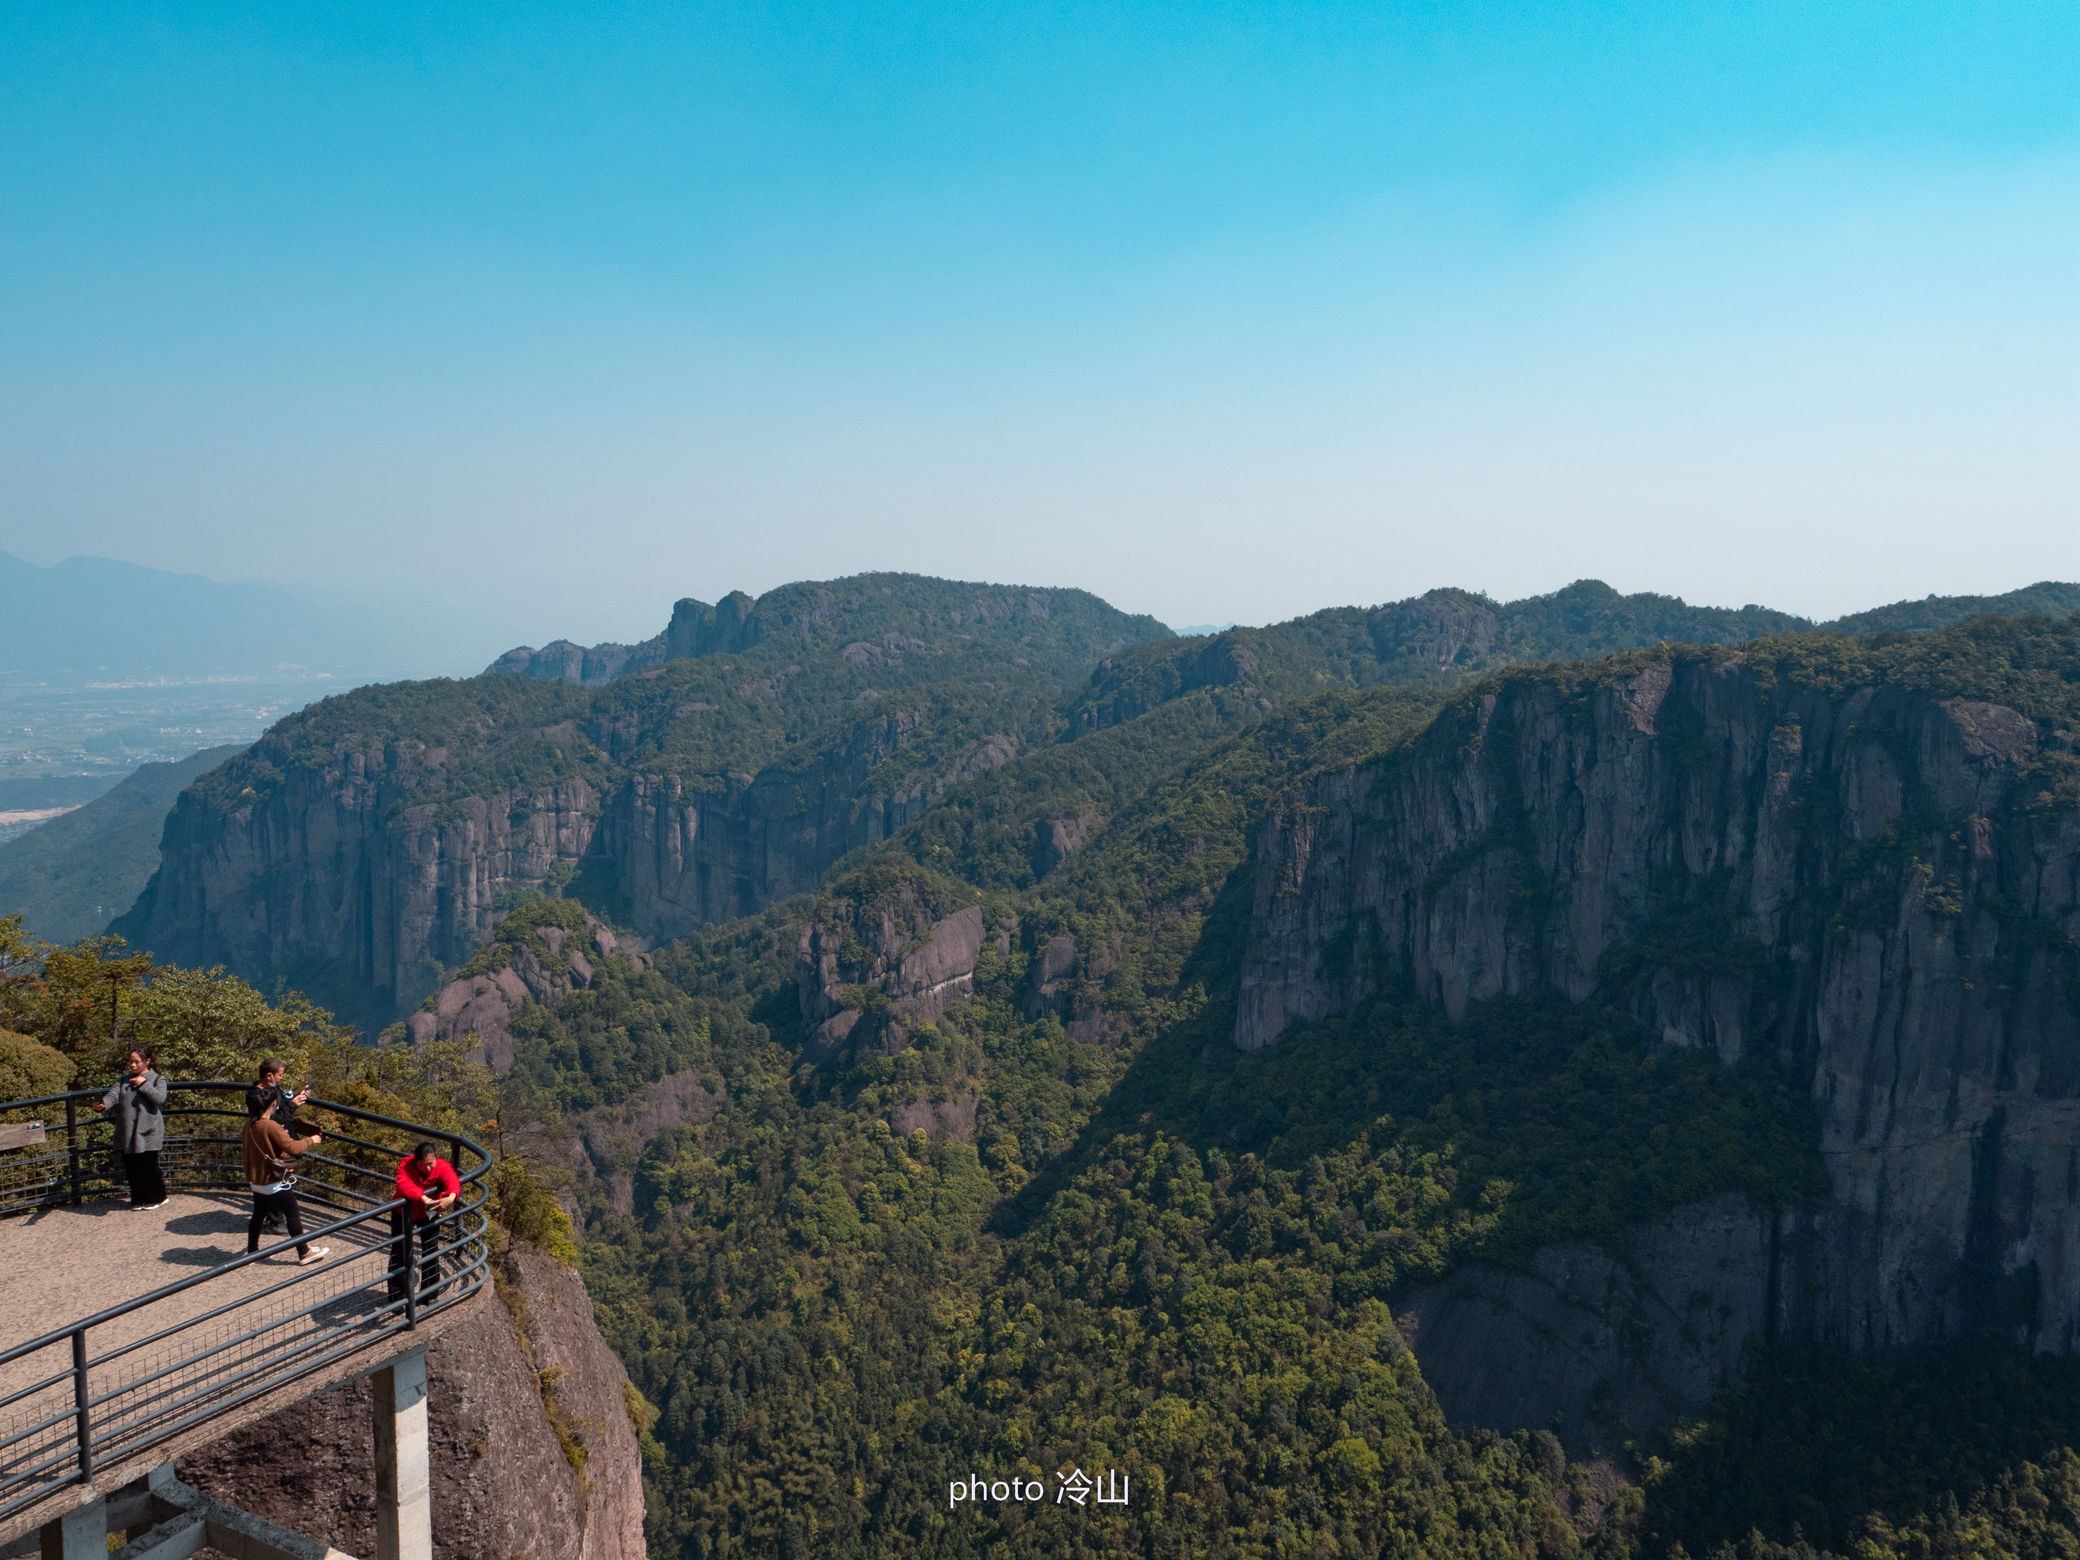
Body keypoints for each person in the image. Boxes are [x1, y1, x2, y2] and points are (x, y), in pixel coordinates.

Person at [241, 1099, 329, 1265]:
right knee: (292, 1212)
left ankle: (253, 1252)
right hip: (272, 1180)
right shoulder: (270, 1125)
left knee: (258, 1214)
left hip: (256, 1178)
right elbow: (293, 1148)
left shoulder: (250, 1123)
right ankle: (304, 1252)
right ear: (273, 1103)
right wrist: (312, 1140)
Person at [91, 1047, 168, 1210]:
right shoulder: (123, 1080)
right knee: (132, 1165)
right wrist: (102, 1105)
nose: (132, 1065)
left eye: (136, 1062)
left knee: (148, 1165)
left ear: (147, 1061)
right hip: (128, 1130)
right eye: (130, 1061)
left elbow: (160, 1098)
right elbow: (112, 1097)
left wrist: (144, 1084)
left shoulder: (158, 1079)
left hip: (149, 1129)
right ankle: (138, 1199)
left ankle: (157, 1197)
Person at [246, 1060, 312, 1234]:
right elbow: (273, 1120)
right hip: (274, 1149)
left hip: (275, 1146)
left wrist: (293, 1101)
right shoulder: (260, 1097)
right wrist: (292, 1106)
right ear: (269, 1075)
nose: (281, 1078)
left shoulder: (263, 1092)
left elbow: (278, 1113)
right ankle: (280, 1223)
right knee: (285, 1198)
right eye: (280, 1075)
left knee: (263, 1200)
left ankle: (266, 1231)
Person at [389, 1141, 460, 1303]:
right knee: (399, 1252)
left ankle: (429, 1294)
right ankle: (397, 1297)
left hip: (429, 1212)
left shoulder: (441, 1166)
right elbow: (404, 1185)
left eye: (430, 1163)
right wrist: (424, 1199)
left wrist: (450, 1198)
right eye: (423, 1164)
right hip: (403, 1213)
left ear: (435, 1158)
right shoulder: (406, 1166)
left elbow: (452, 1180)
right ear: (416, 1161)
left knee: (431, 1250)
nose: (428, 1168)